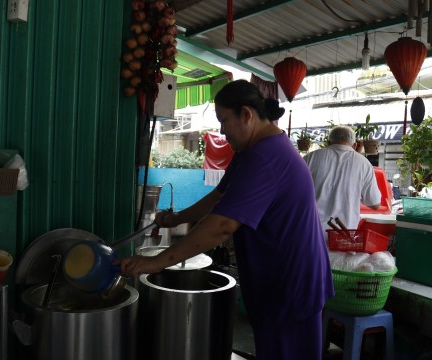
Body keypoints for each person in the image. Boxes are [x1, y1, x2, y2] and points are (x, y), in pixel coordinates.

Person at [120, 79, 334, 360]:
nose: (221, 131)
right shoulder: (250, 151)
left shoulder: (266, 157)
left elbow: (222, 225)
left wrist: (155, 262)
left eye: (224, 120)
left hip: (290, 285)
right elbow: (218, 198)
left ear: (246, 114)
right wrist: (174, 220)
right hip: (276, 282)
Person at [303, 125, 381, 236]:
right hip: (342, 236)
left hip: (311, 232)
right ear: (354, 145)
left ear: (329, 142)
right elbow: (375, 204)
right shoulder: (364, 164)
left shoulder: (310, 158)